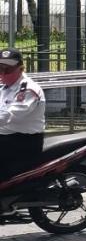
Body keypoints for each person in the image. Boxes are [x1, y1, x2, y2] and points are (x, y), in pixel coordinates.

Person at [0, 49, 46, 183]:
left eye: (7, 69)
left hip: (23, 141)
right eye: (0, 68)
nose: (3, 73)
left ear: (21, 69)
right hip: (7, 138)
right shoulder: (5, 87)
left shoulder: (28, 90)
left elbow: (7, 116)